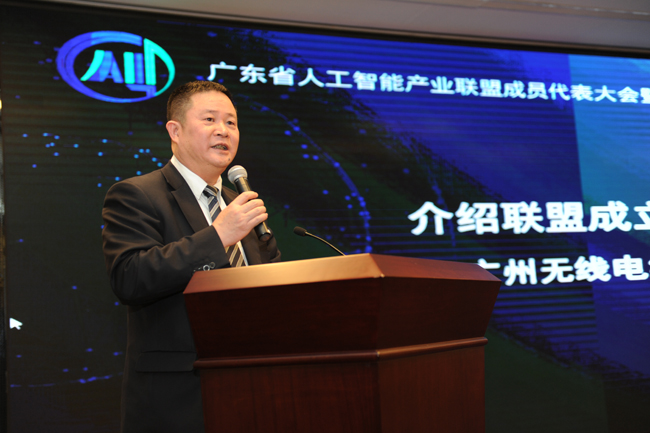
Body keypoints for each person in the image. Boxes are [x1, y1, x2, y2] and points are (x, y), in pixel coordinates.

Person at [102, 81, 280, 433]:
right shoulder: (136, 194)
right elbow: (130, 277)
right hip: (178, 399)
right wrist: (218, 237)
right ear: (175, 131)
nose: (223, 130)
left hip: (253, 390)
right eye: (210, 119)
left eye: (231, 122)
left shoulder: (240, 205)